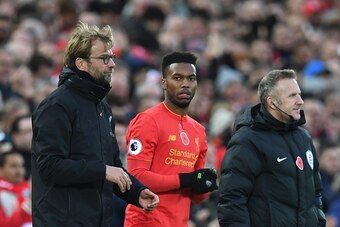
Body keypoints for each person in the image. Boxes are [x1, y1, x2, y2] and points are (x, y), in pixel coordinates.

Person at [31, 21, 159, 227]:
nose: (112, 64)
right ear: (81, 64)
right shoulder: (56, 106)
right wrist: (102, 171)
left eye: (112, 57)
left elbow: (113, 167)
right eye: (104, 58)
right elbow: (49, 166)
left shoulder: (102, 107)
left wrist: (137, 192)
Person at [217, 69, 326, 227]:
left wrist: (319, 221)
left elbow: (316, 193)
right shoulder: (247, 140)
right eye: (292, 96)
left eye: (299, 94)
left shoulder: (304, 137)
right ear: (272, 102)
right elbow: (232, 200)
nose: (300, 101)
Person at [124, 51, 218, 227]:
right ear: (164, 83)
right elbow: (136, 177)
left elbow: (197, 196)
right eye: (177, 78)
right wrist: (185, 180)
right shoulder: (148, 121)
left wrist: (205, 185)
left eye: (191, 78)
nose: (185, 84)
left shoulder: (199, 131)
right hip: (145, 222)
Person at [0, 151, 32, 227]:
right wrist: (27, 208)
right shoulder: (2, 193)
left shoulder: (27, 187)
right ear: (0, 169)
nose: (19, 171)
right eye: (13, 166)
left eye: (22, 166)